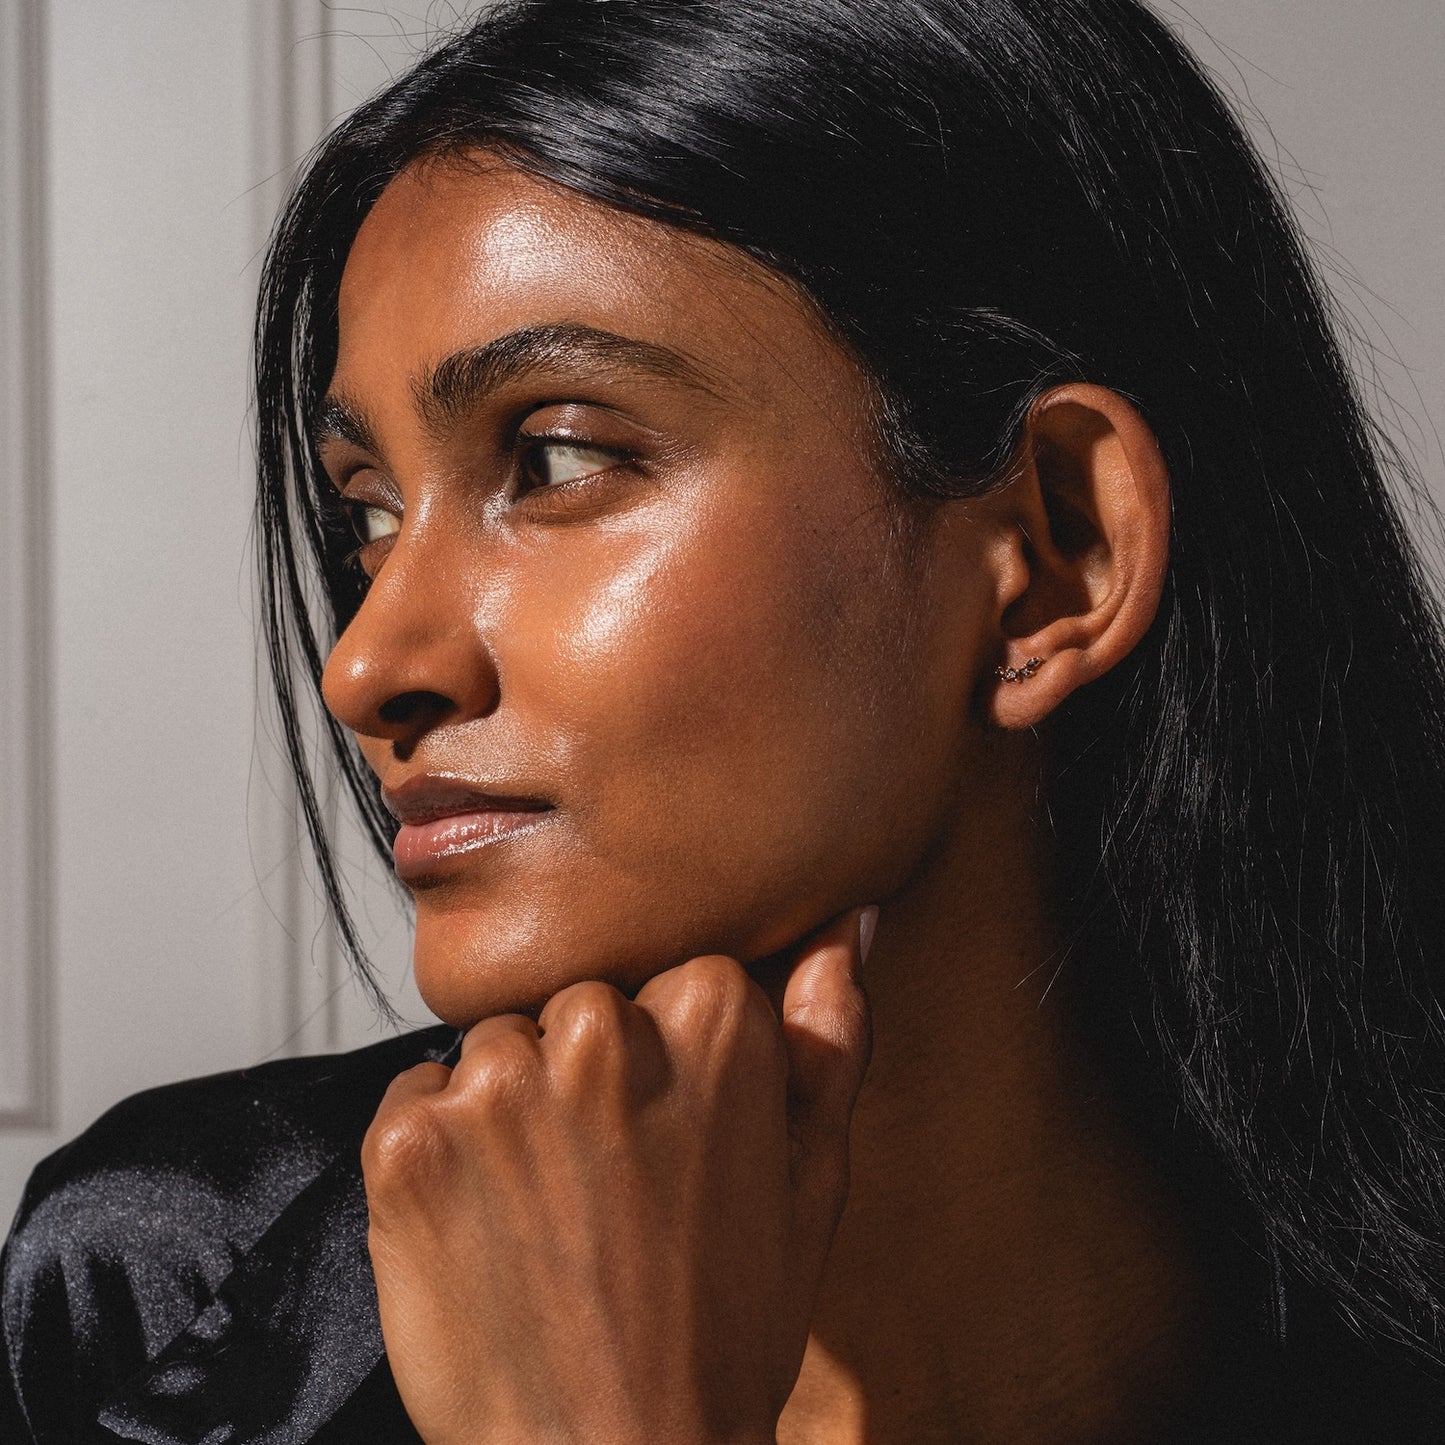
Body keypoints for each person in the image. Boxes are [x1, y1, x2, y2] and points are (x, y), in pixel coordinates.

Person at [5, 0, 1444, 1439]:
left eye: (555, 456)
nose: (367, 661)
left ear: (1053, 551)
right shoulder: (165, 1296)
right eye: (368, 513)